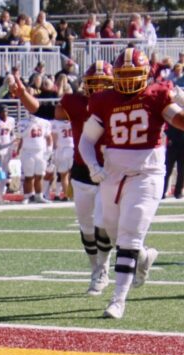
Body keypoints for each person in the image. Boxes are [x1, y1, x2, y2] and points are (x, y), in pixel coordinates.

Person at [77, 47, 184, 318]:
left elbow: (176, 118)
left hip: (146, 174)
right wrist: (92, 166)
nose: (127, 81)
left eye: (133, 74)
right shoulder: (104, 99)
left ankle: (117, 299)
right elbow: (87, 140)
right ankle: (144, 257)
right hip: (113, 174)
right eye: (123, 75)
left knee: (129, 235)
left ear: (146, 74)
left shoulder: (157, 95)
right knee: (112, 232)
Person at [11, 60, 115, 295]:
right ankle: (95, 268)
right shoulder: (77, 103)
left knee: (102, 222)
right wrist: (23, 94)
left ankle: (104, 266)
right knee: (87, 227)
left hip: (109, 171)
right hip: (81, 172)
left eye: (103, 84)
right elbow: (43, 110)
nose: (98, 90)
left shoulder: (119, 104)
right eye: (94, 84)